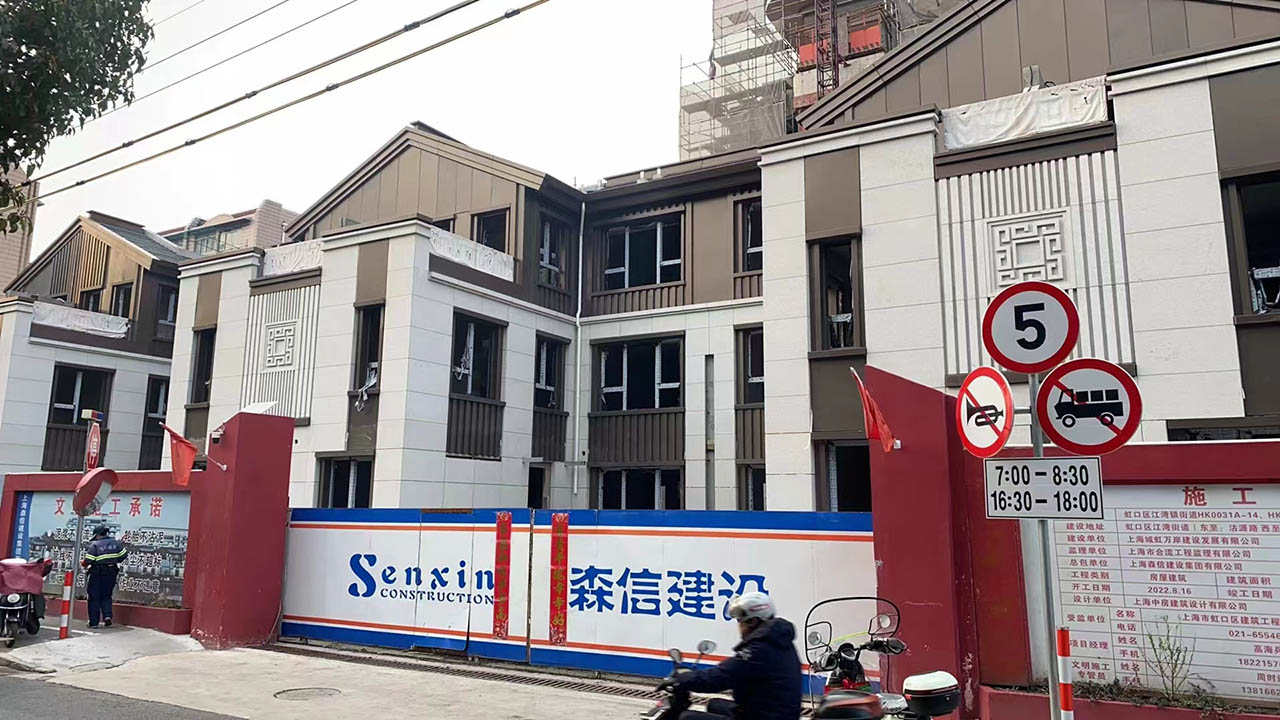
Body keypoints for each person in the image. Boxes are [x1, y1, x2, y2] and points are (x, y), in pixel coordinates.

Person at [664, 592, 802, 720]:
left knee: (686, 718)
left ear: (752, 622)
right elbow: (731, 670)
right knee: (714, 704)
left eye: (740, 621)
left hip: (765, 716)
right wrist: (691, 677)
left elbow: (718, 678)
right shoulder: (777, 640)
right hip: (775, 713)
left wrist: (681, 680)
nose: (739, 626)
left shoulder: (759, 650)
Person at [81, 526, 127, 628]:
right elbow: (124, 555)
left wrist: (83, 563)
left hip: (97, 573)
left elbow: (88, 560)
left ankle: (94, 622)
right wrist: (115, 560)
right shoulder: (116, 543)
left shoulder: (95, 545)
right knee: (106, 595)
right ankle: (107, 616)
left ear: (97, 535)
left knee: (94, 597)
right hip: (111, 572)